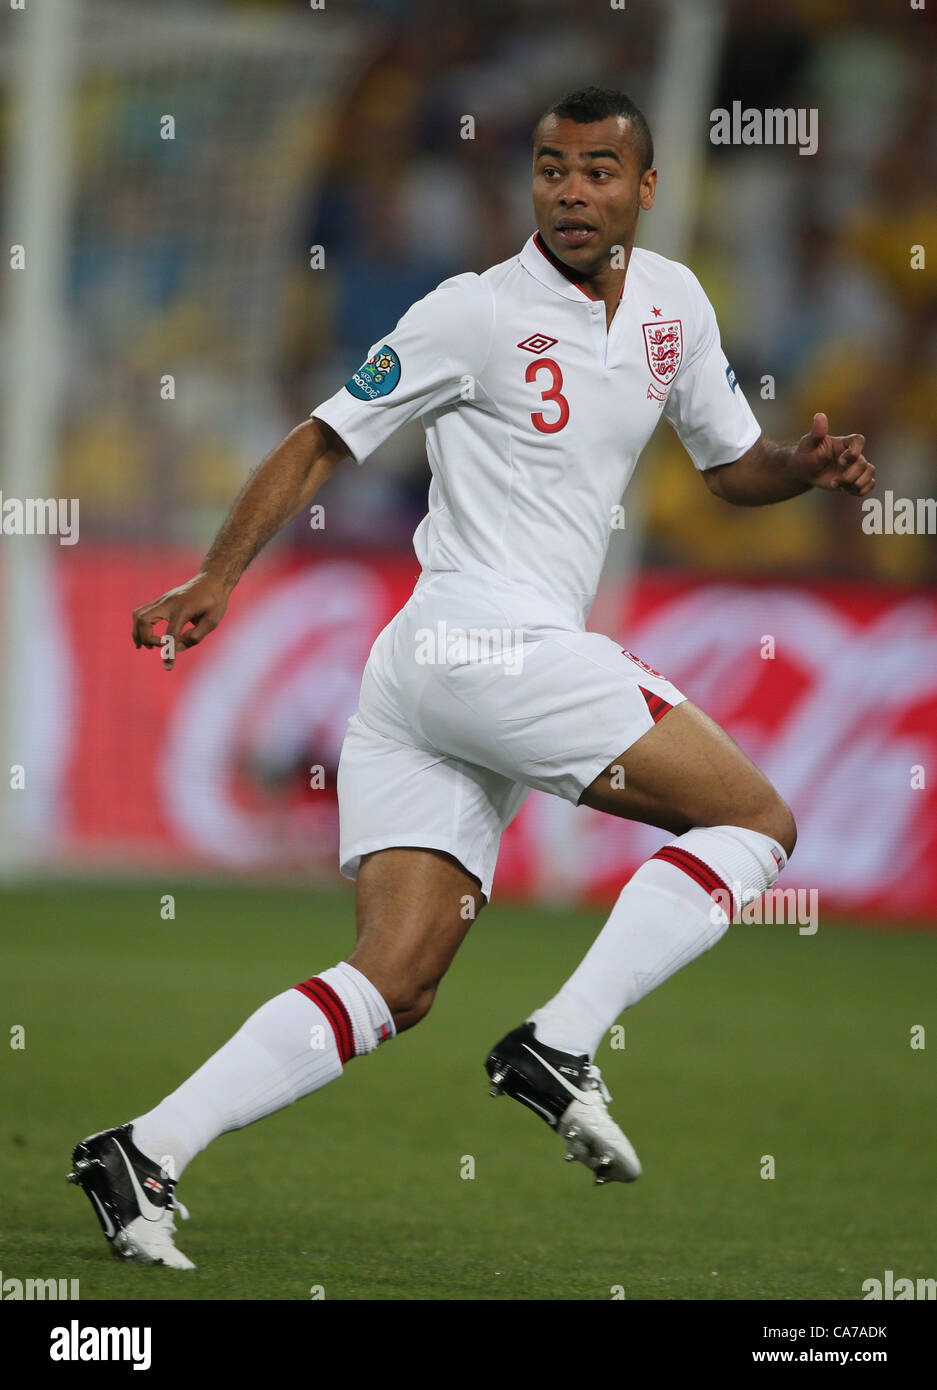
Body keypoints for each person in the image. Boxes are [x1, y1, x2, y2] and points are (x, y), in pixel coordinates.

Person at [69, 87, 874, 1270]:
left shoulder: (673, 306)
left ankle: (141, 1151)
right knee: (755, 818)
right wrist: (217, 576)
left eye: (599, 171)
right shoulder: (472, 312)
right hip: (487, 641)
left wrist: (795, 470)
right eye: (551, 168)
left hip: (432, 680)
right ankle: (561, 1041)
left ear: (645, 188)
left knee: (396, 978)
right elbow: (322, 436)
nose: (571, 191)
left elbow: (726, 467)